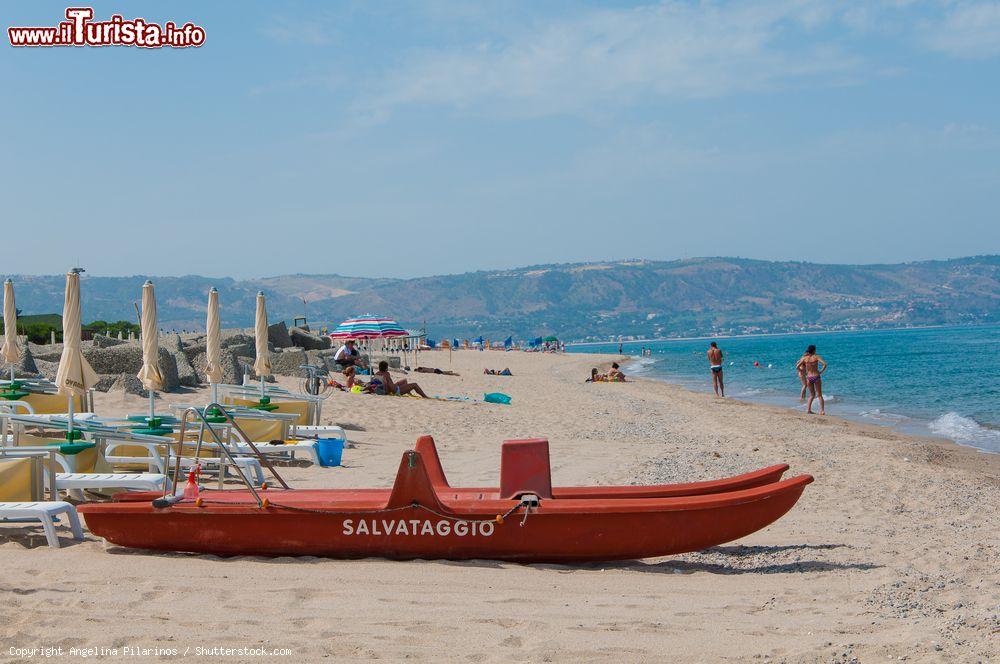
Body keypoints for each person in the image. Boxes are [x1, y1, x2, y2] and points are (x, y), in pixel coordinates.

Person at [795, 345, 827, 415]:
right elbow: (825, 364)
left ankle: (808, 410)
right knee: (819, 395)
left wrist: (803, 371)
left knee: (811, 395)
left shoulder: (805, 358)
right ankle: (822, 411)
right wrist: (821, 371)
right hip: (816, 376)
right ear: (814, 350)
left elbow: (797, 366)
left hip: (809, 377)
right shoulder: (816, 357)